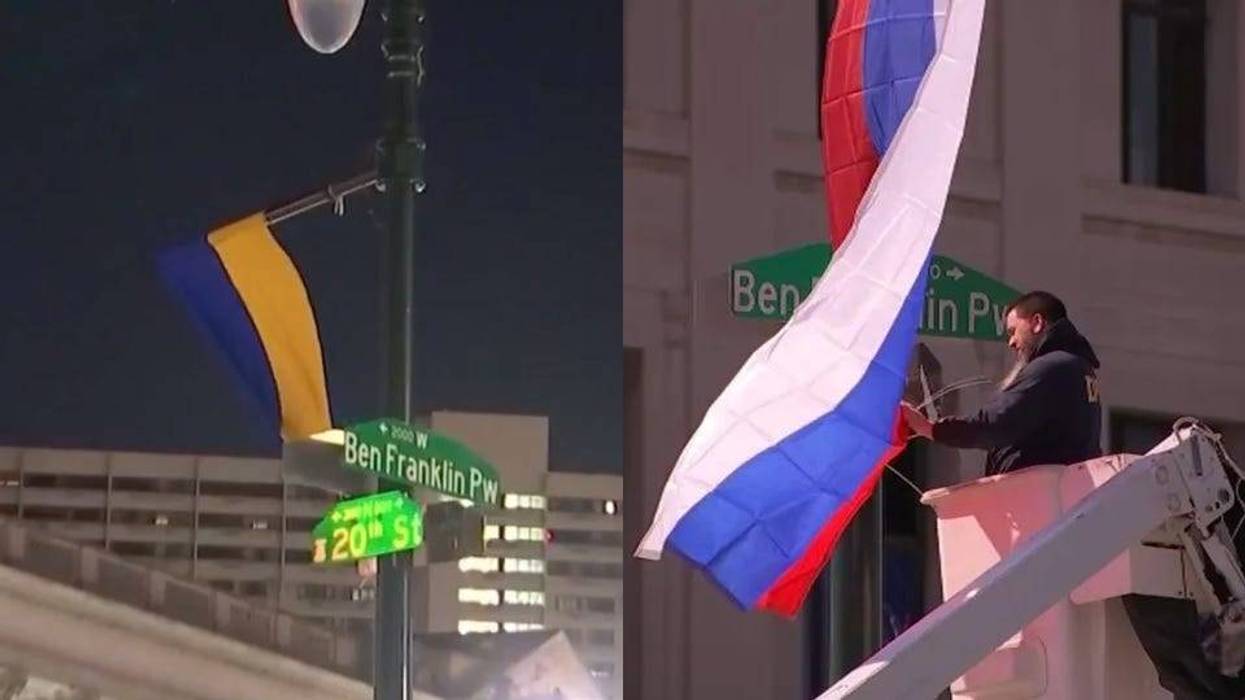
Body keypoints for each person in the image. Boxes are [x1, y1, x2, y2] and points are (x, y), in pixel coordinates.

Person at [900, 290, 1101, 476]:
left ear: (1037, 322)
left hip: (1034, 501)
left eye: (1013, 331)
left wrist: (929, 428)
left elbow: (994, 423)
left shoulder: (1050, 368)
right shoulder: (1079, 369)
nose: (1011, 342)